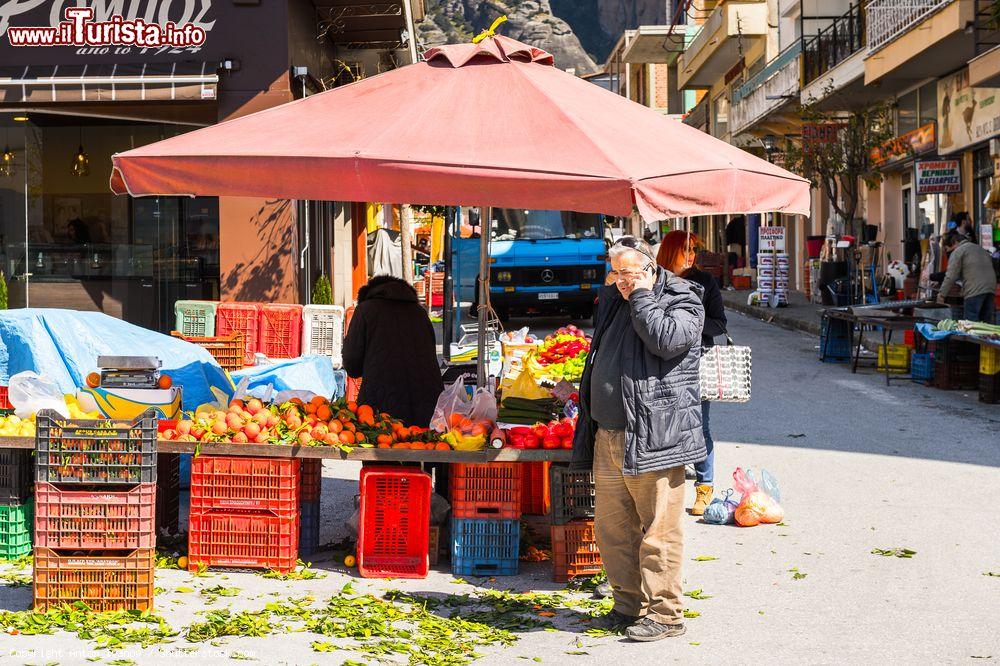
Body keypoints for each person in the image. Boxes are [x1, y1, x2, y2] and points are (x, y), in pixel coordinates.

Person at [571, 236, 706, 642]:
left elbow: (665, 340)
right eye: (616, 273)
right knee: (613, 529)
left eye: (628, 273)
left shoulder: (684, 298)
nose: (621, 281)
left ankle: (666, 614)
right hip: (608, 434)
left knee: (658, 530)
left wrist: (642, 295)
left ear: (648, 268)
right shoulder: (615, 297)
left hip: (655, 433)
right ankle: (628, 605)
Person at [656, 231, 727, 516]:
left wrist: (689, 325)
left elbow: (719, 324)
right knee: (663, 427)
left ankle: (704, 488)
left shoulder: (705, 282)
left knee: (699, 425)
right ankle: (665, 492)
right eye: (685, 248)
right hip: (660, 362)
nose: (691, 254)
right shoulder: (655, 280)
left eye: (694, 249)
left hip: (697, 362)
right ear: (670, 250)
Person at [342, 274, 444, 427]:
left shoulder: (365, 310)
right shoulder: (419, 313)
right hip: (428, 404)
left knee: (385, 443)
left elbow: (352, 366)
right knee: (424, 444)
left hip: (381, 406)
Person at [936, 231, 997, 323]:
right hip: (991, 288)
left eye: (948, 250)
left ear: (954, 243)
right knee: (987, 324)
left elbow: (950, 276)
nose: (948, 253)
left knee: (971, 324)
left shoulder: (959, 251)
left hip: (975, 290)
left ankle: (973, 337)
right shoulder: (979, 248)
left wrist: (941, 295)